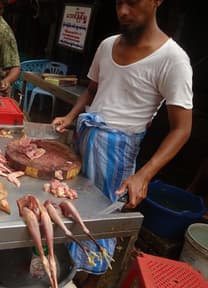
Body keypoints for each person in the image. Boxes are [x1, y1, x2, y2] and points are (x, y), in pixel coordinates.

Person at [52, 0, 193, 287]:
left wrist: (144, 174)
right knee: (68, 208)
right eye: (118, 3)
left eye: (133, 2)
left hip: (117, 155)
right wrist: (70, 117)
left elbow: (182, 129)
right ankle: (61, 269)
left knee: (100, 227)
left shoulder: (173, 59)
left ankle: (87, 279)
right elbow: (92, 91)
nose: (123, 12)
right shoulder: (106, 45)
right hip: (85, 140)